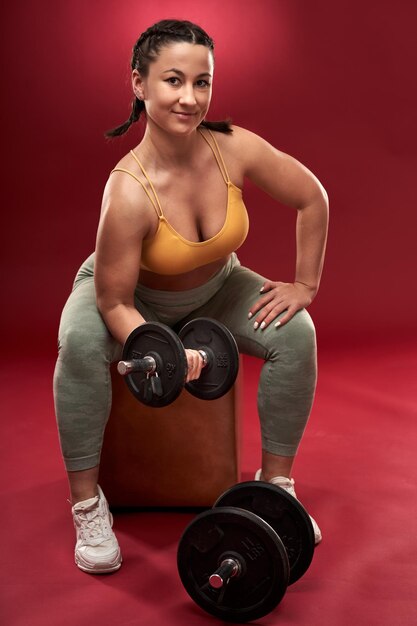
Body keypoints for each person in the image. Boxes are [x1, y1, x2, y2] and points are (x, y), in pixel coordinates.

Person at [53, 19, 329, 574]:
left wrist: (306, 284)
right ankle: (87, 503)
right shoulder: (128, 189)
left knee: (296, 334)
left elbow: (312, 198)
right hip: (131, 295)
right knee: (81, 344)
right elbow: (113, 302)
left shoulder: (234, 147)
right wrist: (170, 356)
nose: (190, 98)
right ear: (139, 84)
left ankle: (275, 487)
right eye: (173, 81)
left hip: (216, 286)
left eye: (202, 82)